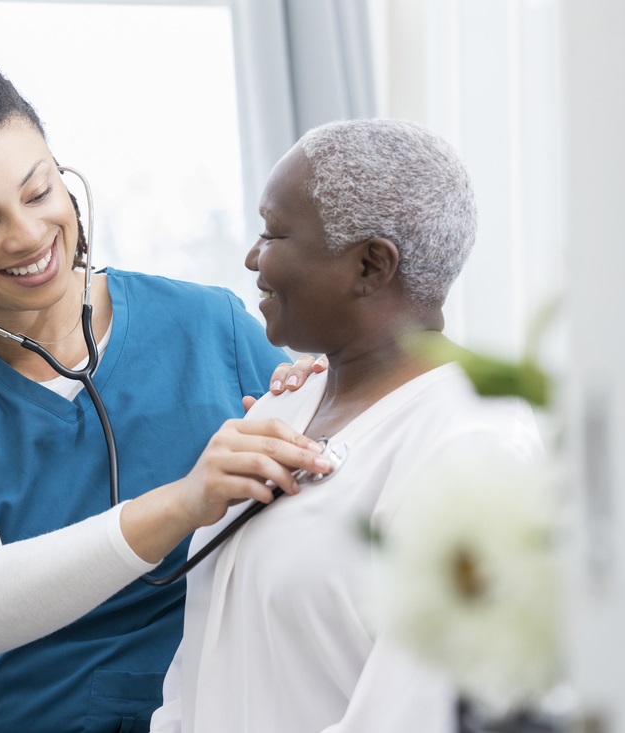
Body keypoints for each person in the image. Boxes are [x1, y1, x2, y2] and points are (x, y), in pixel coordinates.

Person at [0, 50, 329, 732]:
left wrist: (322, 407)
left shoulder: (208, 326)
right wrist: (186, 499)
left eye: (40, 191)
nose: (30, 235)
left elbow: (338, 507)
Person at [148, 119, 544, 733]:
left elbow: (412, 718)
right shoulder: (285, 405)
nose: (253, 257)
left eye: (273, 233)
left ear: (369, 265)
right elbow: (205, 660)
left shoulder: (472, 445)